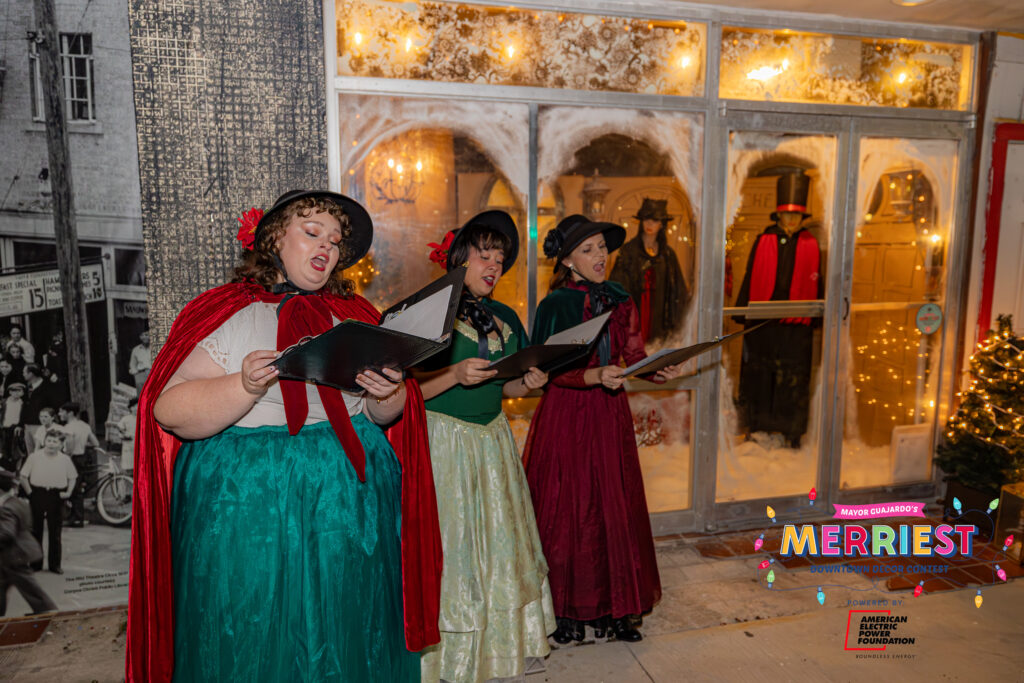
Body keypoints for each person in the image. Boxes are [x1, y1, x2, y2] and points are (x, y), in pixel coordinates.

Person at [126, 190, 442, 683]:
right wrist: (244, 385)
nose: (327, 249)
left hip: (346, 498)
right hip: (249, 502)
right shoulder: (227, 312)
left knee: (346, 615)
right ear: (274, 238)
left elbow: (384, 418)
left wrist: (389, 392)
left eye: (336, 242)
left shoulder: (355, 314)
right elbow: (168, 410)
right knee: (252, 620)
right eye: (312, 233)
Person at [524, 215, 684, 645]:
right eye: (589, 249)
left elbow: (633, 354)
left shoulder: (621, 299)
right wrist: (592, 377)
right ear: (569, 260)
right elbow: (545, 370)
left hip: (609, 416)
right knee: (570, 509)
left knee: (612, 506)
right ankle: (566, 607)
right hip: (568, 415)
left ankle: (617, 609)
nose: (600, 256)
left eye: (602, 247)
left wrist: (654, 370)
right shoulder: (554, 306)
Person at [416, 212, 555, 682]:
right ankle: (446, 658)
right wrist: (452, 374)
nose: (493, 266)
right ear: (459, 256)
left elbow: (506, 390)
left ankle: (499, 646)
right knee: (453, 552)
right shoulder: (429, 309)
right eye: (484, 255)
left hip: (493, 441)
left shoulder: (507, 318)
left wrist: (529, 382)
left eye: (500, 258)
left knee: (498, 550)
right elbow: (399, 393)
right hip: (443, 443)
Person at [734, 171, 822, 448]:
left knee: (793, 379)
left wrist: (814, 317)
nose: (792, 221)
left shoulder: (811, 244)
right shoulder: (764, 240)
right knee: (761, 376)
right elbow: (751, 276)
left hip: (795, 328)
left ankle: (790, 430)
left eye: (796, 216)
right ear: (779, 217)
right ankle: (759, 426)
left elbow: (816, 282)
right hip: (766, 326)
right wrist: (744, 311)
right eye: (787, 216)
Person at [610, 198, 688, 343]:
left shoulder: (668, 254)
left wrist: (677, 326)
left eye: (655, 220)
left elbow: (678, 291)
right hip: (637, 312)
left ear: (662, 224)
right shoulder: (628, 251)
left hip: (659, 315)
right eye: (646, 219)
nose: (650, 224)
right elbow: (617, 286)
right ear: (641, 221)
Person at [0, 468, 56, 616]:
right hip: (18, 553)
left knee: (29, 586)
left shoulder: (5, 508)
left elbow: (6, 533)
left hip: (14, 554)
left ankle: (47, 611)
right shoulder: (19, 502)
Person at [19, 429, 76, 574]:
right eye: (49, 440)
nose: (51, 444)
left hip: (56, 496)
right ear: (44, 441)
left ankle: (55, 565)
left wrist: (68, 492)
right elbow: (23, 476)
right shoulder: (34, 457)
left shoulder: (65, 459)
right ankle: (35, 563)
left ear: (61, 444)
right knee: (35, 530)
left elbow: (72, 477)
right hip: (37, 493)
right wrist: (30, 493)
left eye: (55, 441)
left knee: (55, 531)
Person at [57, 402, 102, 528]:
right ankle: (75, 517)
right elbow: (95, 443)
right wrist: (81, 445)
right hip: (81, 457)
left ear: (70, 413)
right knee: (77, 487)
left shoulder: (69, 428)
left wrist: (67, 455)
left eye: (62, 412)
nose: (60, 414)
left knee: (73, 488)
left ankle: (76, 518)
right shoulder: (84, 426)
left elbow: (69, 444)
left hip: (72, 458)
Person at [0, 383, 26, 472]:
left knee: (15, 449)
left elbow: (23, 417)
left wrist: (20, 426)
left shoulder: (23, 403)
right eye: (14, 391)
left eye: (19, 391)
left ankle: (15, 470)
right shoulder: (4, 402)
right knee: (3, 448)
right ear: (10, 392)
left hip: (15, 429)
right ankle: (5, 469)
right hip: (4, 427)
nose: (17, 393)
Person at [116, 398, 137, 473]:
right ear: (130, 408)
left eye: (138, 405)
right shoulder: (125, 419)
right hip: (128, 448)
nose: (137, 408)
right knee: (129, 470)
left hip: (140, 447)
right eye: (135, 406)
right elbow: (119, 430)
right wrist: (125, 435)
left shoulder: (142, 418)